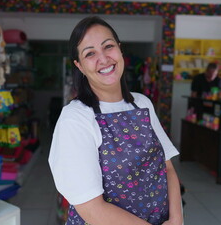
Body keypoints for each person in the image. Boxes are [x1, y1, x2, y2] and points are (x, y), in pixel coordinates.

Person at [48, 16, 183, 225]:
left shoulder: (142, 104)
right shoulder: (75, 119)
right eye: (90, 53)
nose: (103, 59)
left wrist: (176, 219)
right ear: (80, 66)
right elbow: (91, 208)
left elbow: (168, 167)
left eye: (108, 46)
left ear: (120, 50)